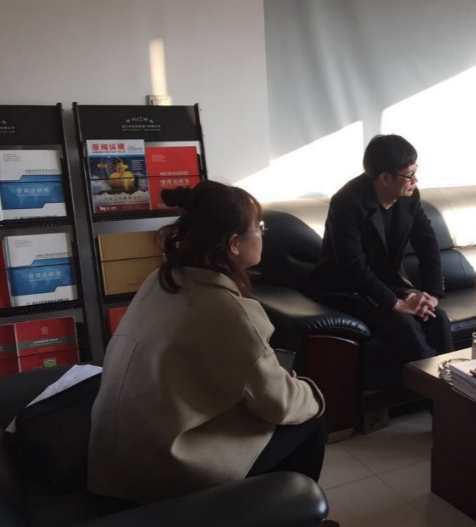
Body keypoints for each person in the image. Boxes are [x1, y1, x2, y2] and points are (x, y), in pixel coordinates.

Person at [88, 181, 325, 504]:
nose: (262, 234)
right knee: (309, 419)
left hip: (114, 455)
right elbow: (279, 404)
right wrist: (308, 392)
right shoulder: (229, 311)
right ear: (234, 244)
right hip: (161, 468)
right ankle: (290, 511)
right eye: (258, 228)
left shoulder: (161, 280)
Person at [308, 134, 453, 389]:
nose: (415, 180)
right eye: (409, 174)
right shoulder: (347, 202)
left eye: (416, 171)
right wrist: (395, 303)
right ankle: (436, 394)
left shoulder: (409, 195)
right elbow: (352, 265)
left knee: (436, 317)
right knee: (404, 324)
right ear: (385, 177)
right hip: (346, 287)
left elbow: (427, 243)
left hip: (388, 282)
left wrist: (431, 294)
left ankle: (452, 392)